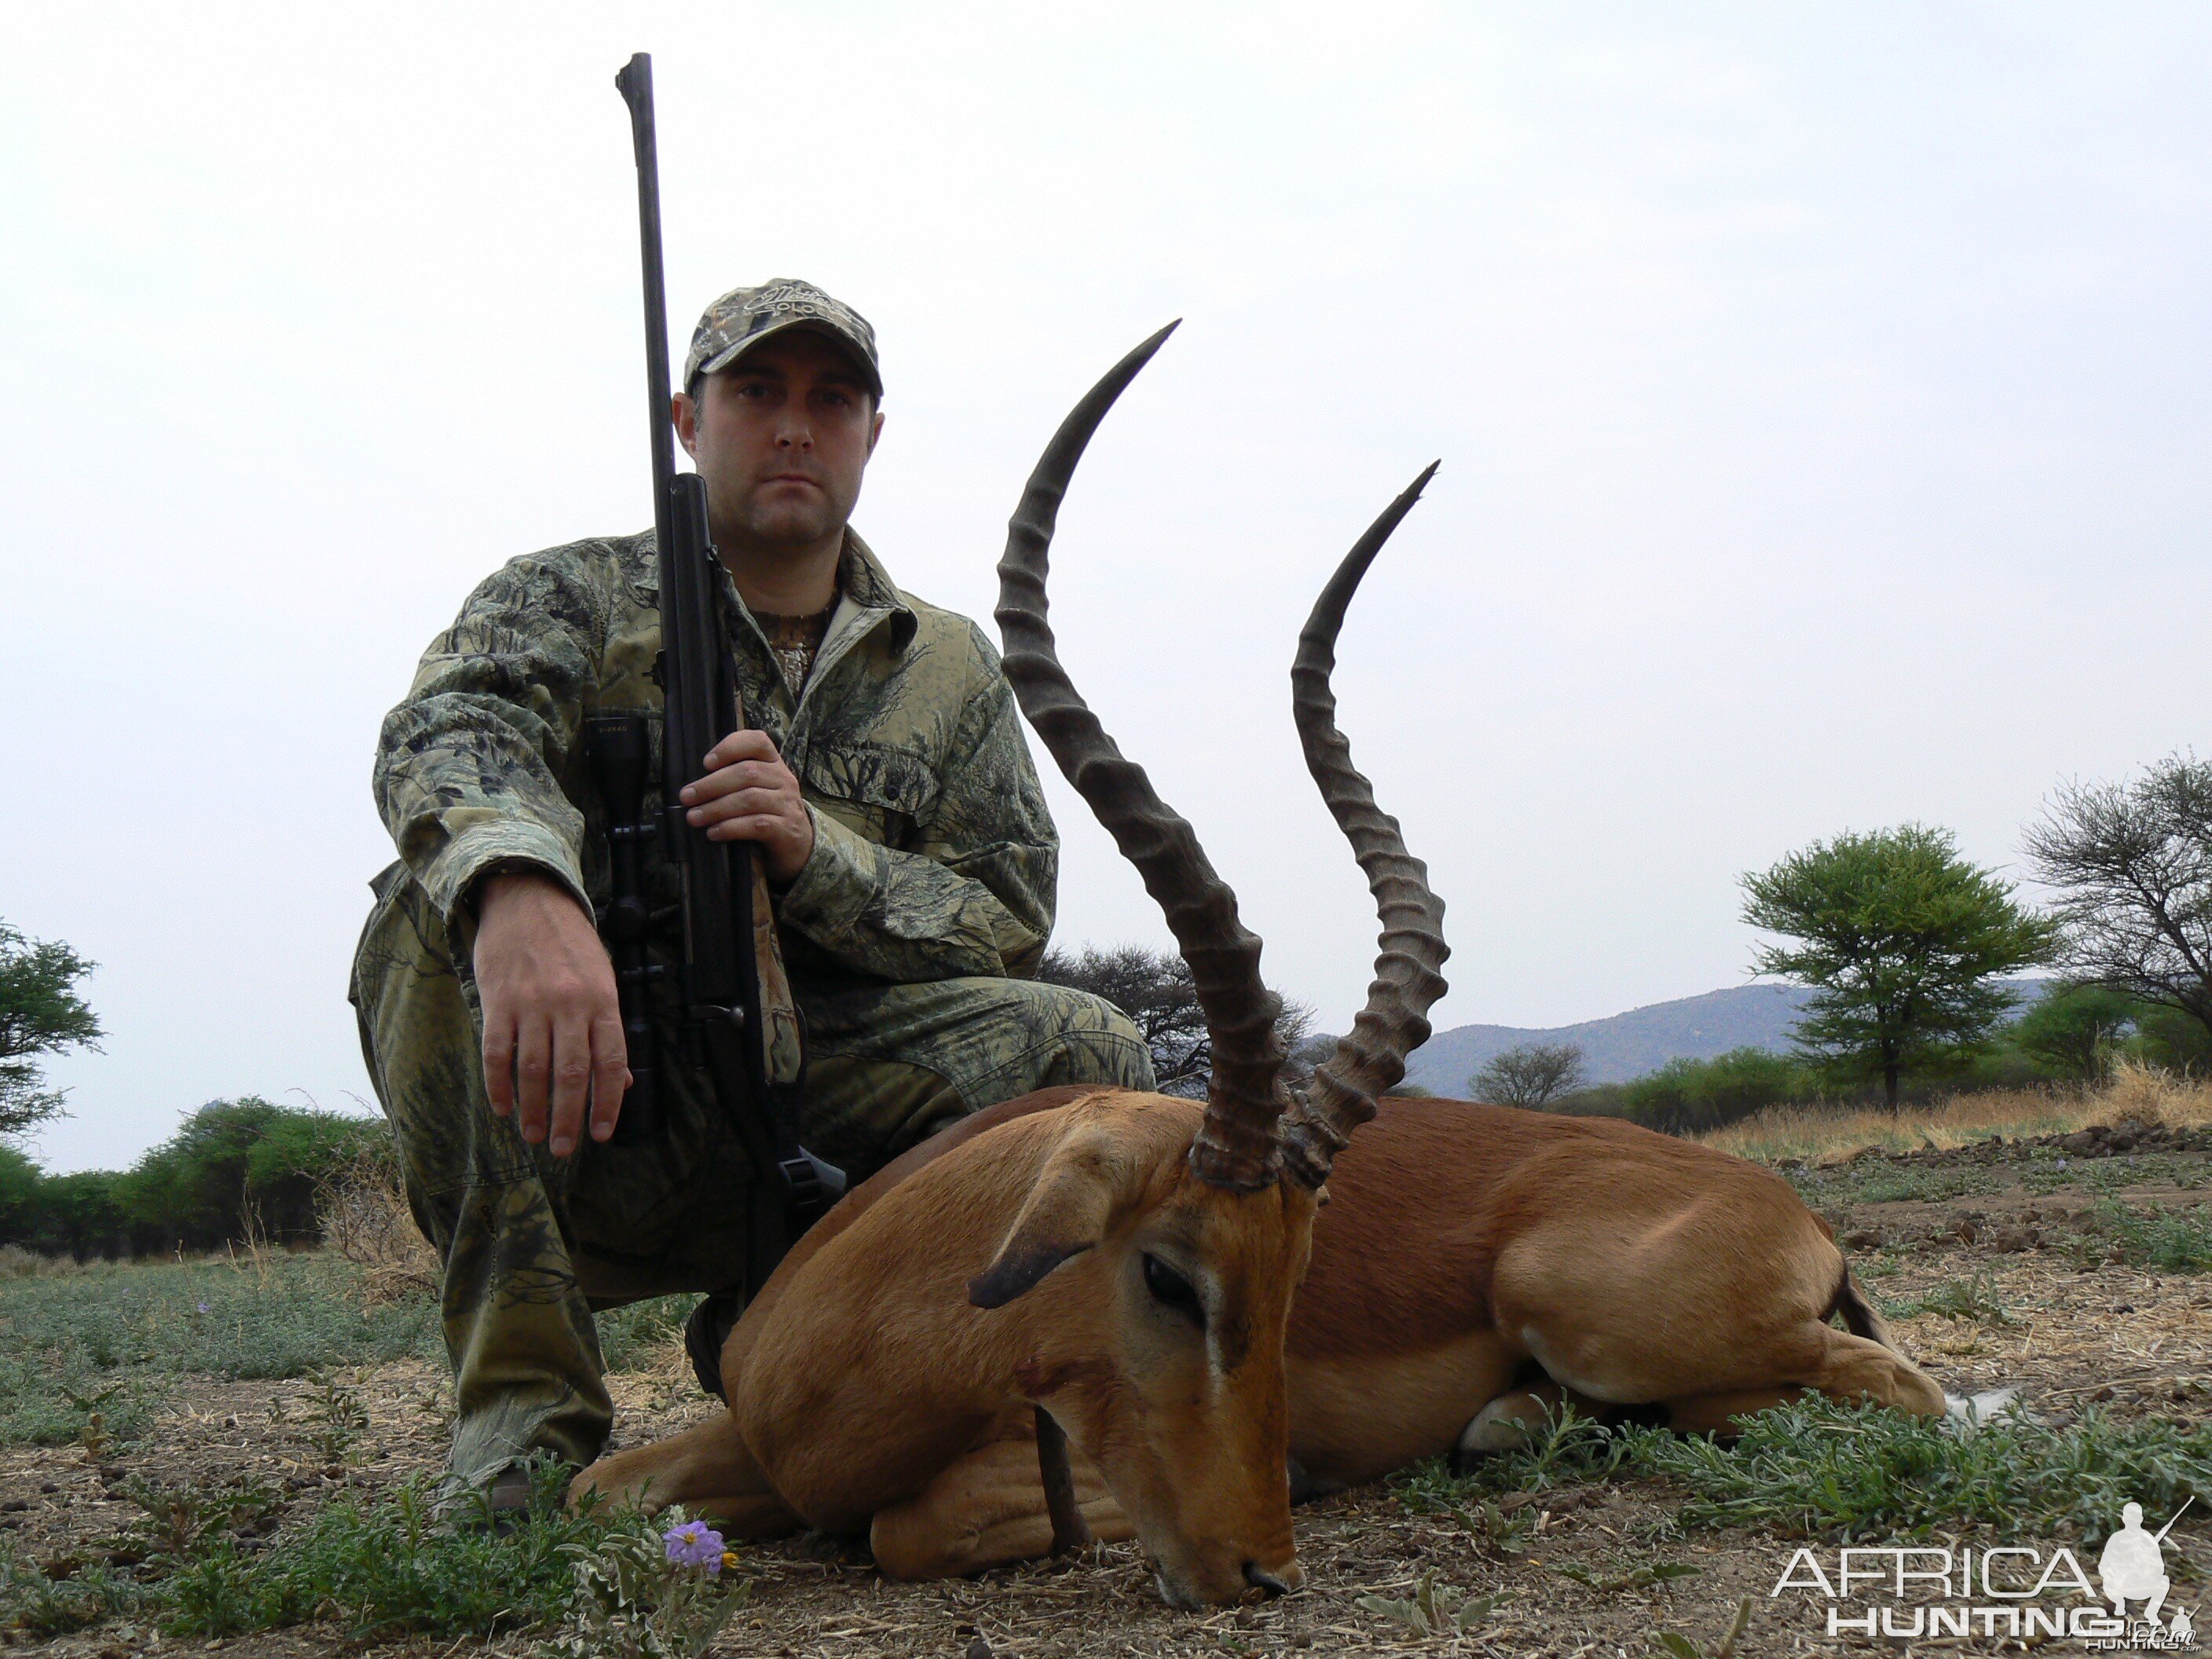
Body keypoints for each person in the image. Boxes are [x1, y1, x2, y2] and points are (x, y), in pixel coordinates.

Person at [349, 279, 1154, 1507]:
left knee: (1090, 1048)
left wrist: (814, 854)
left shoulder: (945, 664)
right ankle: (525, 1425)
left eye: (832, 400)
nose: (795, 427)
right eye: (756, 393)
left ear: (871, 436)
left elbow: (1005, 911)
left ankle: (870, 1366)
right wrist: (520, 886)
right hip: (595, 1104)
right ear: (689, 419)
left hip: (824, 1104)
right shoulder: (569, 594)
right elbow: (451, 729)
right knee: (420, 924)